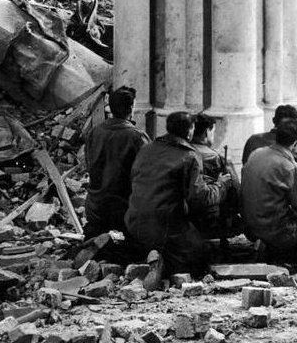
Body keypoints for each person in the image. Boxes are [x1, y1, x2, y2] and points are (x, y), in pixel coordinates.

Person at [125, 111, 232, 279]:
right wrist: (220, 185)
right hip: (164, 223)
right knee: (201, 256)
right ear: (190, 130)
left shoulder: (146, 149)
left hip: (133, 222)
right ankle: (164, 265)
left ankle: (153, 256)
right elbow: (200, 198)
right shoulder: (189, 156)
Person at [240, 118, 297, 270]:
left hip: (251, 225)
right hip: (277, 229)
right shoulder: (288, 167)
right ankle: (283, 257)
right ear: (296, 143)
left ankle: (274, 249)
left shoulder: (256, 154)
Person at [84, 86, 149, 238]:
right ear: (131, 107)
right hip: (123, 211)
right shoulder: (136, 137)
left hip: (96, 208)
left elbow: (89, 165)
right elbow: (147, 175)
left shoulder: (95, 132)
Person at [189, 114, 241, 241]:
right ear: (207, 131)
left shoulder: (182, 152)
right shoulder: (214, 157)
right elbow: (236, 192)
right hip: (209, 215)